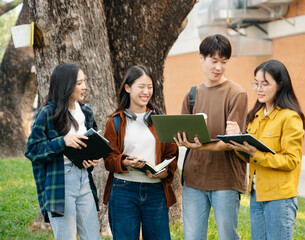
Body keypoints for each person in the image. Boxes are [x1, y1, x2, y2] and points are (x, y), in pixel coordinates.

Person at [174, 34, 248, 240]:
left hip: (225, 180)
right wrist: (181, 139)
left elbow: (231, 142)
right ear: (201, 59)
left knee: (227, 236)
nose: (219, 67)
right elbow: (182, 132)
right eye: (214, 61)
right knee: (193, 237)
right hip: (194, 179)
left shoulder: (237, 94)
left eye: (224, 62)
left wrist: (200, 147)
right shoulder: (192, 95)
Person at [226, 59, 305, 240]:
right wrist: (237, 141)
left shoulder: (290, 117)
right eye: (256, 83)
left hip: (280, 198)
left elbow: (291, 161)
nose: (258, 89)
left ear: (280, 85)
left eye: (265, 84)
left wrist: (256, 154)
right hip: (257, 194)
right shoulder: (256, 115)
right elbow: (250, 157)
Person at [24, 63, 101, 239]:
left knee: (93, 237)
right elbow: (32, 150)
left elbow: (91, 143)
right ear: (66, 85)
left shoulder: (86, 112)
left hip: (84, 180)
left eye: (84, 81)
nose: (84, 87)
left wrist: (90, 159)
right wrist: (63, 141)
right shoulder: (48, 113)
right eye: (79, 83)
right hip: (60, 181)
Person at [102, 65, 178, 240]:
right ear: (128, 88)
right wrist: (125, 162)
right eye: (141, 86)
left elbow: (171, 155)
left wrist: (165, 171)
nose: (146, 92)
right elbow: (109, 160)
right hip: (123, 192)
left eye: (150, 87)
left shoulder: (161, 119)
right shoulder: (115, 121)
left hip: (155, 192)